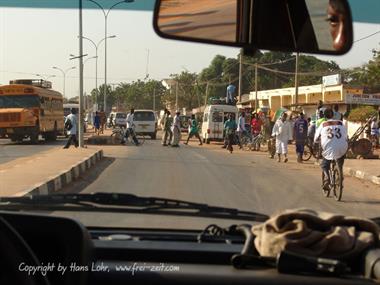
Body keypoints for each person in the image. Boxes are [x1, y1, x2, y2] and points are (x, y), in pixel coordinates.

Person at [314, 108, 348, 190]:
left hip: (329, 148)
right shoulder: (340, 123)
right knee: (340, 159)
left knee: (324, 165)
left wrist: (316, 141)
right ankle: (340, 174)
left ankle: (327, 179)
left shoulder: (323, 124)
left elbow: (315, 139)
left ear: (325, 117)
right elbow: (346, 135)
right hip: (342, 147)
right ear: (333, 115)